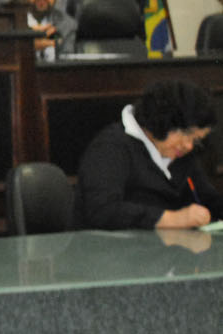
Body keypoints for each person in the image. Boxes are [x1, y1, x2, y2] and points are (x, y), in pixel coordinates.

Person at [76, 80, 223, 230]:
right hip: (113, 248)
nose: (188, 145)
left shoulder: (181, 154)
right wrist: (170, 219)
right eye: (185, 134)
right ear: (162, 120)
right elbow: (102, 211)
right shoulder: (111, 147)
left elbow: (208, 200)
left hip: (169, 249)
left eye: (196, 140)